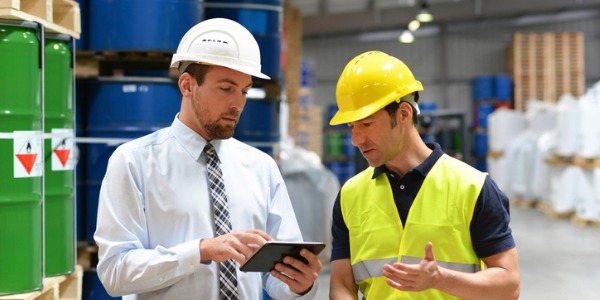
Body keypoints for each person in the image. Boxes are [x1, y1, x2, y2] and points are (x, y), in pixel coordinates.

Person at [94, 18, 322, 300]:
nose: (238, 104)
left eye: (244, 91)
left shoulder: (261, 168)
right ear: (187, 85)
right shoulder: (134, 162)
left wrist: (300, 285)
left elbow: (276, 278)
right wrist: (200, 251)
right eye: (226, 88)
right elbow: (115, 274)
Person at [327, 51, 520, 300]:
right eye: (352, 127)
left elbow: (509, 285)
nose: (356, 139)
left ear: (404, 114)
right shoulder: (350, 195)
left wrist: (440, 279)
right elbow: (342, 284)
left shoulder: (472, 187)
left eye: (367, 124)